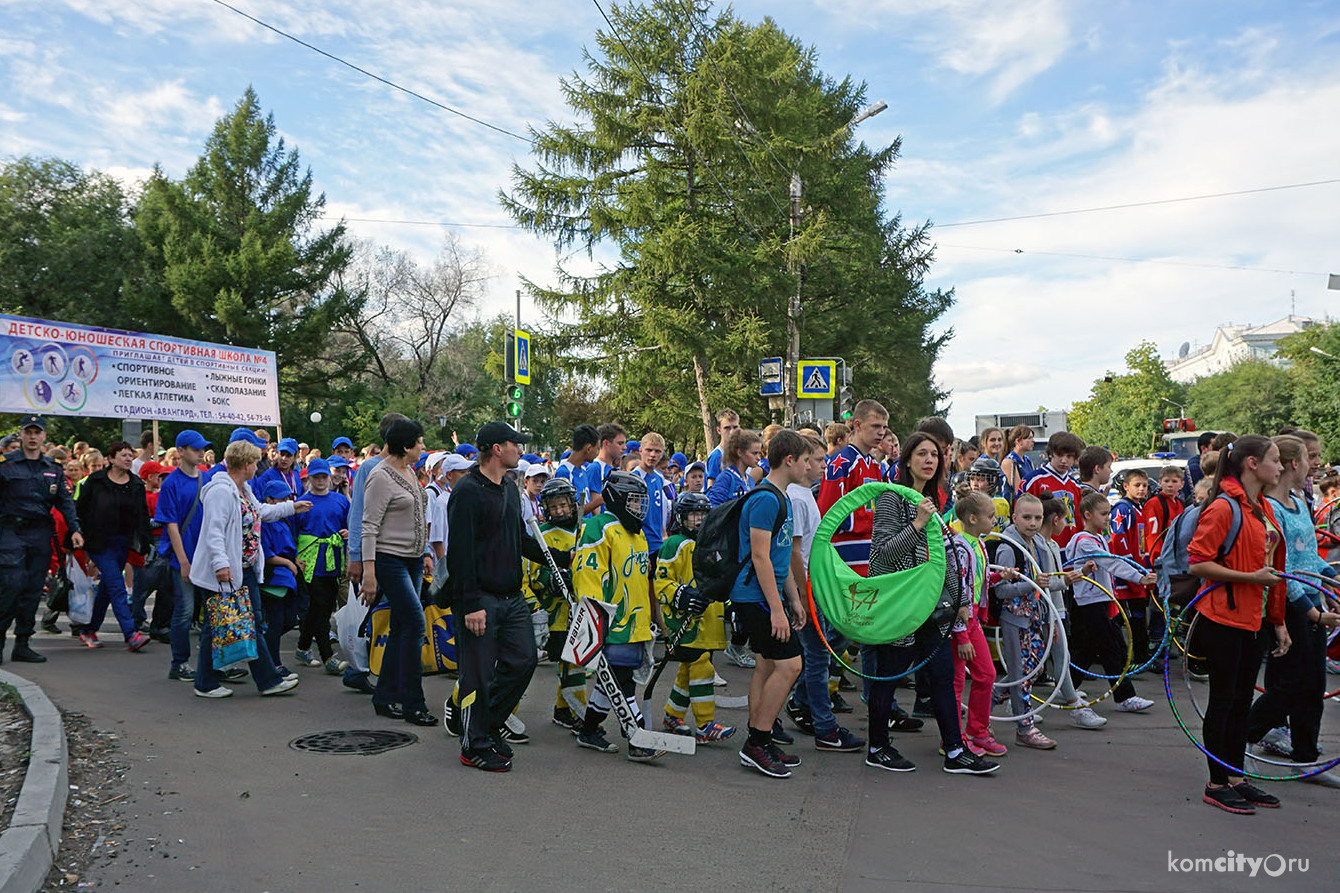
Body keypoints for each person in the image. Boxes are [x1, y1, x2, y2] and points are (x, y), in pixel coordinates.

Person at [867, 432, 999, 775]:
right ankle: (878, 746)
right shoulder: (891, 498)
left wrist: (960, 600)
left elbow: (944, 557)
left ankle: (955, 750)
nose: (930, 460)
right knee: (888, 676)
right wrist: (918, 524)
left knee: (942, 677)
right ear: (907, 459)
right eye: (922, 454)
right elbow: (881, 555)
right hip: (900, 607)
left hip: (934, 608)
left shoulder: (933, 499)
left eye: (935, 455)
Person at [448, 421, 565, 772]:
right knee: (478, 675)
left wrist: (560, 559)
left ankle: (486, 726)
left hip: (511, 597)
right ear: (497, 449)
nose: (521, 449)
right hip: (479, 598)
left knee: (523, 661)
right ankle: (473, 744)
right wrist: (470, 605)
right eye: (516, 444)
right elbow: (460, 554)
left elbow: (520, 540)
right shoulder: (468, 491)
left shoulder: (510, 489)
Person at [1187, 434, 1289, 814]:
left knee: (1242, 701)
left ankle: (1235, 776)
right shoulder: (1224, 508)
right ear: (1251, 463)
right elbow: (1198, 563)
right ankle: (1217, 782)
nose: (1279, 467)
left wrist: (1278, 622)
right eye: (1275, 460)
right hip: (1224, 618)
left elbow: (1275, 570)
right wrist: (1249, 579)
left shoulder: (1263, 508)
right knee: (1224, 701)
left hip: (1256, 618)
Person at [1248, 435, 1340, 771]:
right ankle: (1240, 733)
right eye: (1309, 458)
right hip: (1288, 603)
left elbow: (1309, 556)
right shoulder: (1269, 508)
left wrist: (1332, 579)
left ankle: (1305, 755)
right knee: (1294, 681)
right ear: (1293, 464)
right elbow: (1281, 568)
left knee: (1313, 683)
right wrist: (1313, 611)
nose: (1315, 464)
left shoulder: (1300, 502)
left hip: (1311, 597)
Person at [189, 439, 307, 698]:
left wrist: (290, 507)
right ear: (245, 464)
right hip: (226, 573)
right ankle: (212, 683)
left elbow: (260, 511)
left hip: (243, 570)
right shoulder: (221, 491)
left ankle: (263, 680)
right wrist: (221, 565)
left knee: (247, 624)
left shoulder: (243, 489)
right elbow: (214, 532)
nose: (258, 466)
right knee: (220, 625)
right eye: (255, 461)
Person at [992, 494, 1102, 743]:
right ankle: (1024, 728)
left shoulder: (1038, 545)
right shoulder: (1009, 547)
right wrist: (1029, 586)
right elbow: (1001, 590)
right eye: (1026, 517)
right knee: (1021, 674)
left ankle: (984, 707)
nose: (1032, 523)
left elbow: (1047, 583)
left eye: (1037, 518)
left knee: (1033, 669)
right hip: (1014, 619)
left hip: (1036, 618)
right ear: (1014, 518)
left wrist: (1071, 578)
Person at [733, 430, 810, 778]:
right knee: (791, 665)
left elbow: (780, 560)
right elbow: (761, 558)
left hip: (770, 596)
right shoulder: (766, 499)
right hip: (755, 597)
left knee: (766, 665)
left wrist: (794, 598)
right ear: (790, 460)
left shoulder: (783, 497)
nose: (811, 467)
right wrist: (777, 609)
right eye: (807, 460)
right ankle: (758, 741)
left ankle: (758, 738)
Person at [572, 470, 664, 762]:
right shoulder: (600, 527)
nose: (640, 508)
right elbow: (587, 573)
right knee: (622, 681)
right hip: (613, 623)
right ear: (618, 499)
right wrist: (594, 620)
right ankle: (637, 736)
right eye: (634, 501)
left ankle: (588, 730)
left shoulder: (636, 535)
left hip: (634, 624)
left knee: (611, 680)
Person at [783, 434, 866, 752]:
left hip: (813, 587)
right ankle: (825, 727)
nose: (824, 466)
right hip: (806, 590)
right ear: (801, 462)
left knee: (818, 653)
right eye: (818, 460)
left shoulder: (805, 495)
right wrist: (802, 597)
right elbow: (795, 552)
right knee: (815, 658)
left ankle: (802, 709)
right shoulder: (799, 499)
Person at [360, 418, 435, 727]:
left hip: (414, 559)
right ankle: (412, 702)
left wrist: (426, 551)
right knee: (416, 625)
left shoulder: (409, 471)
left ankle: (385, 695)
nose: (423, 447)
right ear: (406, 446)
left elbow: (418, 516)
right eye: (419, 442)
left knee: (403, 627)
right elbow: (368, 525)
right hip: (390, 559)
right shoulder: (380, 476)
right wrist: (368, 571)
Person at [1065, 492, 1157, 713]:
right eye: (1104, 513)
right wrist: (1139, 577)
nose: (1108, 518)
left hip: (1099, 599)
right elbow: (1112, 563)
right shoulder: (1084, 541)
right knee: (1112, 647)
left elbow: (1112, 563)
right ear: (1088, 515)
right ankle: (1125, 697)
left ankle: (1068, 688)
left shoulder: (1097, 538)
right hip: (1089, 601)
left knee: (1090, 649)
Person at [0, 416, 83, 662]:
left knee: (33, 589)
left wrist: (75, 529)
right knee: (11, 586)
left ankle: (23, 643)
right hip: (10, 532)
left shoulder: (53, 468)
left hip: (39, 534)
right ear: (22, 435)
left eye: (37, 432)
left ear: (44, 436)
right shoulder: (5, 465)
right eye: (29, 432)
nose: (33, 437)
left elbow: (66, 503)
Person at [654, 491, 733, 743]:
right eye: (693, 515)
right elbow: (661, 581)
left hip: (709, 620)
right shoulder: (673, 544)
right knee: (701, 666)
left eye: (703, 514)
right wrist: (681, 595)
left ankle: (672, 715)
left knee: (690, 669)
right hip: (684, 621)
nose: (699, 520)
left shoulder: (712, 543)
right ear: (680, 517)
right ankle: (705, 724)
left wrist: (730, 605)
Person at [73, 440, 153, 651]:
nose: (128, 459)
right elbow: (79, 510)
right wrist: (77, 536)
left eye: (130, 455)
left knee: (108, 589)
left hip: (123, 542)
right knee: (117, 586)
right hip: (98, 542)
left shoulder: (135, 484)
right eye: (123, 455)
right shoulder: (96, 481)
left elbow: (142, 515)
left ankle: (88, 629)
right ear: (111, 459)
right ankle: (131, 634)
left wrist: (144, 542)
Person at [949, 492, 1011, 756]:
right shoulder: (960, 547)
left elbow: (976, 581)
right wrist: (961, 635)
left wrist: (998, 577)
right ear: (973, 519)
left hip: (973, 620)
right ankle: (952, 737)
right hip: (960, 622)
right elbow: (957, 590)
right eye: (990, 515)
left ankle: (977, 730)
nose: (994, 519)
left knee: (986, 674)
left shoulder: (979, 545)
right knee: (956, 680)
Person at [525, 477, 587, 730]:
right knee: (569, 662)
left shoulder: (584, 532)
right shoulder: (543, 535)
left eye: (564, 504)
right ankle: (576, 711)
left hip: (582, 609)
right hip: (557, 613)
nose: (560, 510)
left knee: (575, 662)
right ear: (546, 509)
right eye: (554, 506)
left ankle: (565, 710)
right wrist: (550, 580)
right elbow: (532, 574)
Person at [295, 458, 350, 674]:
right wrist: (294, 557)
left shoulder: (340, 500)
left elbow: (348, 525)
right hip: (310, 562)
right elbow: (294, 532)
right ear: (309, 478)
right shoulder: (301, 503)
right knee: (319, 607)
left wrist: (346, 534)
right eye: (315, 477)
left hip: (334, 560)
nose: (320, 480)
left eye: (323, 476)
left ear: (329, 477)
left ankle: (302, 646)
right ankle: (328, 657)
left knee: (325, 607)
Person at [259, 480, 301, 681]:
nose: (287, 502)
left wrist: (294, 561)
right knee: (275, 622)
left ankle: (265, 650)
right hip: (273, 578)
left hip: (287, 578)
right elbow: (267, 554)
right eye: (282, 498)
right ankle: (274, 664)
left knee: (290, 619)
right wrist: (288, 563)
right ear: (269, 500)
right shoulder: (265, 523)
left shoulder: (283, 520)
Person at [1025, 432, 1086, 546]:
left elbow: (1079, 520)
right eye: (1060, 455)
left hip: (1071, 549)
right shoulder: (1033, 481)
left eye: (1069, 456)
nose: (1064, 460)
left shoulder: (1076, 486)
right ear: (1051, 454)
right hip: (1042, 547)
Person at [579, 423, 626, 516]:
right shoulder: (595, 467)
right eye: (620, 443)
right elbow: (595, 508)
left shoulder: (614, 469)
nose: (624, 447)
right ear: (606, 443)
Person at [706, 428, 760, 508]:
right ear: (740, 452)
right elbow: (714, 509)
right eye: (754, 453)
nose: (758, 457)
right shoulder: (726, 478)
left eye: (759, 453)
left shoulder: (750, 480)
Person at [704, 409, 741, 487]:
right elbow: (711, 488)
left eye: (735, 427)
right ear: (719, 430)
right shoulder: (716, 456)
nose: (732, 432)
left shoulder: (740, 454)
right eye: (727, 428)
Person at [1000, 424, 1035, 495]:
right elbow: (1018, 491)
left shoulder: (1028, 461)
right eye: (1029, 438)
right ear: (1018, 441)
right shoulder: (1009, 461)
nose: (1033, 441)